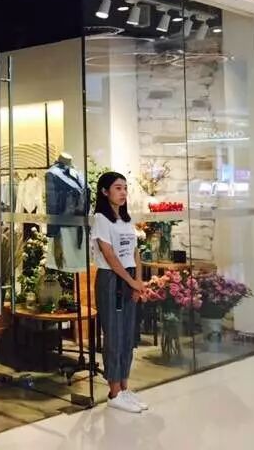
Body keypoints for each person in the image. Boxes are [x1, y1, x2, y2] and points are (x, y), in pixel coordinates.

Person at [92, 172, 148, 414]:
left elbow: (135, 252)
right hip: (111, 279)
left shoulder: (126, 219)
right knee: (114, 335)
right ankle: (114, 393)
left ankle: (125, 388)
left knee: (127, 335)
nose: (123, 192)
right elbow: (109, 255)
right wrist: (131, 282)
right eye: (117, 188)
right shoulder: (100, 219)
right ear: (105, 191)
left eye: (125, 188)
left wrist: (138, 281)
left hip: (129, 278)